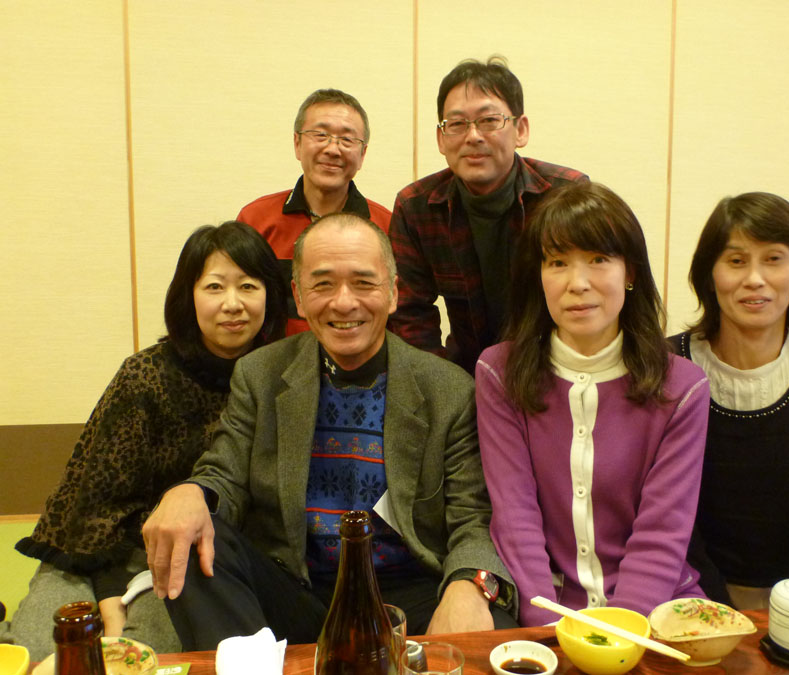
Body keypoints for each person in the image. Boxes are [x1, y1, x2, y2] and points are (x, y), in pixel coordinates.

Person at [142, 213, 517, 651]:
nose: (343, 303)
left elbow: (473, 516)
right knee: (196, 539)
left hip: (405, 592)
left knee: (495, 624)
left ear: (393, 293)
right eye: (323, 285)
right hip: (296, 590)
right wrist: (191, 491)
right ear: (299, 297)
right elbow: (224, 471)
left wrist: (469, 584)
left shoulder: (447, 389)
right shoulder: (261, 374)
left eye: (363, 283)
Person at [9, 222, 287, 659]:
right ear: (188, 296)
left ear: (271, 295)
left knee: (147, 657)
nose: (232, 304)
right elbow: (96, 509)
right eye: (214, 287)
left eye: (248, 286)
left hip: (193, 558)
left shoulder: (280, 380)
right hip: (94, 555)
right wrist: (111, 605)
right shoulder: (145, 376)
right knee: (38, 655)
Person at [475, 182, 709, 626]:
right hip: (543, 609)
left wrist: (618, 636)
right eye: (557, 262)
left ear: (630, 272)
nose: (577, 284)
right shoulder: (500, 373)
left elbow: (662, 534)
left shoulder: (682, 387)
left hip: (655, 608)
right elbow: (514, 517)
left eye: (599, 259)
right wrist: (547, 627)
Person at [669, 192, 789, 610]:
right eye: (736, 261)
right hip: (688, 592)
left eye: (774, 259)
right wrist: (717, 607)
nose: (755, 279)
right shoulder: (670, 363)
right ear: (709, 274)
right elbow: (668, 512)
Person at [389, 56, 588, 373]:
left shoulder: (566, 194)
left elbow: (590, 299)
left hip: (556, 370)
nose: (473, 136)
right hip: (465, 373)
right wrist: (442, 386)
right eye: (457, 124)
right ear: (441, 138)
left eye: (489, 120)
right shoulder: (416, 207)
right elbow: (410, 316)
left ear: (520, 130)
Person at [238, 89, 392, 336]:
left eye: (347, 139)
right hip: (272, 358)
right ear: (297, 144)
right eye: (321, 135)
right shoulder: (256, 219)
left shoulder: (386, 226)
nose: (333, 149)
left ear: (362, 154)